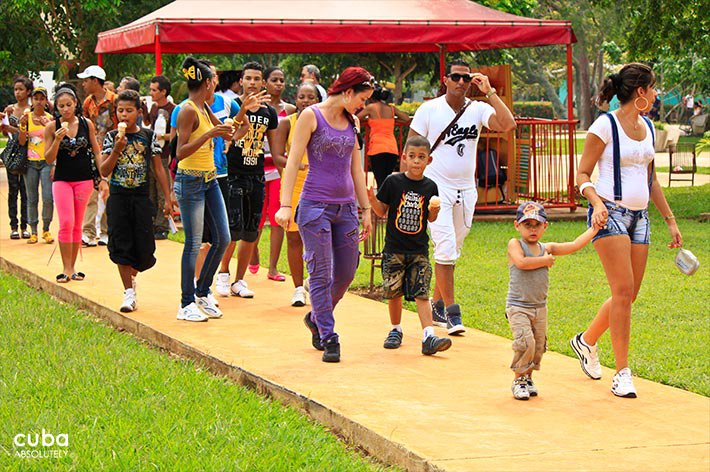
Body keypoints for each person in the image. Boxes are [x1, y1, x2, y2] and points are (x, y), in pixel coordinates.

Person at [571, 63, 683, 398]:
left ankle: (586, 340)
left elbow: (651, 180)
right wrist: (596, 202)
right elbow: (582, 175)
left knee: (629, 294)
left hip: (640, 217)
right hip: (610, 214)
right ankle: (622, 372)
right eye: (653, 88)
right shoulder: (603, 126)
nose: (655, 93)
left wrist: (670, 220)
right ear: (640, 92)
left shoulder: (648, 126)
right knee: (622, 292)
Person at [407, 59, 516, 335]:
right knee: (444, 247)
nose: (461, 83)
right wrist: (405, 185)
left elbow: (507, 124)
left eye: (466, 78)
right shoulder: (429, 109)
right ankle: (453, 313)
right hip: (436, 187)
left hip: (466, 190)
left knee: (452, 249)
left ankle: (437, 304)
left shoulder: (477, 109)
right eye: (456, 77)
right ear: (446, 79)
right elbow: (411, 148)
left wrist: (489, 91)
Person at [276, 66, 375, 363]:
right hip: (314, 206)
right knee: (320, 272)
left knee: (346, 271)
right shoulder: (311, 116)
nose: (362, 106)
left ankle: (317, 316)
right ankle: (329, 336)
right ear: (347, 92)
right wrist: (285, 205)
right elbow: (293, 162)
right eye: (361, 98)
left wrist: (366, 209)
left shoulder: (353, 121)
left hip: (345, 208)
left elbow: (356, 168)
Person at [173, 57, 244, 322]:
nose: (216, 85)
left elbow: (226, 133)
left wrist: (242, 111)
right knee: (192, 244)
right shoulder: (189, 110)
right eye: (213, 81)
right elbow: (180, 152)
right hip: (189, 180)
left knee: (223, 238)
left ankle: (202, 291)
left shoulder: (204, 107)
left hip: (210, 180)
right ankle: (185, 303)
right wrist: (207, 136)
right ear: (206, 83)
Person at [368, 135, 453, 355]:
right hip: (394, 249)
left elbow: (430, 219)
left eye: (421, 157)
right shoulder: (393, 182)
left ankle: (429, 337)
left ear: (429, 160)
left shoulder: (430, 186)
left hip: (419, 250)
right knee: (394, 292)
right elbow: (381, 211)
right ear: (404, 158)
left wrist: (434, 212)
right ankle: (395, 329)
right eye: (412, 157)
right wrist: (371, 198)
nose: (416, 161)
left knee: (421, 293)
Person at [506, 202, 597, 400]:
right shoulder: (515, 244)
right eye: (527, 224)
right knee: (525, 342)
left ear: (545, 226)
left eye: (537, 225)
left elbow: (573, 245)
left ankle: (528, 378)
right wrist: (545, 261)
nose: (532, 229)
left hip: (540, 307)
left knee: (538, 346)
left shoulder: (546, 248)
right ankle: (518, 379)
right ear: (517, 225)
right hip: (518, 306)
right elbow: (521, 262)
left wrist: (594, 229)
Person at [99, 90, 175, 313]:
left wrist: (168, 196)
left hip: (141, 198)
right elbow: (104, 169)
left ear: (139, 112)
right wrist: (116, 149)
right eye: (120, 110)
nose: (124, 115)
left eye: (129, 110)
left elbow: (158, 168)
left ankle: (132, 275)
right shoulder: (112, 137)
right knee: (121, 245)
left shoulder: (148, 136)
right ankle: (128, 293)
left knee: (144, 250)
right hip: (119, 197)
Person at [215, 61, 279, 299]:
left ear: (263, 82)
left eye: (257, 79)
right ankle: (223, 273)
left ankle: (239, 280)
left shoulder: (269, 112)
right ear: (241, 81)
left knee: (251, 231)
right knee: (232, 229)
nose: (252, 83)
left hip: (257, 175)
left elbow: (274, 147)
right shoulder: (231, 105)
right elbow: (228, 134)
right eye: (248, 78)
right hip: (233, 174)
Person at [43, 84, 102, 283]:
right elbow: (48, 158)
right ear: (56, 108)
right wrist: (57, 140)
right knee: (66, 222)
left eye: (69, 105)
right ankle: (65, 267)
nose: (66, 109)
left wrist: (101, 176)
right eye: (61, 106)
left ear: (76, 104)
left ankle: (73, 267)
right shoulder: (52, 127)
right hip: (62, 180)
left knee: (77, 224)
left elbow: (96, 150)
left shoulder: (86, 124)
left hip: (83, 179)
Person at [271, 82, 320, 306]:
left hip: (320, 184)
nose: (306, 101)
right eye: (302, 96)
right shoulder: (286, 123)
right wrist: (295, 165)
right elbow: (277, 155)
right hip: (295, 183)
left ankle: (314, 280)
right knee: (293, 236)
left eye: (311, 97)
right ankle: (298, 288)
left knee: (320, 237)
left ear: (318, 100)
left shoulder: (324, 123)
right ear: (296, 99)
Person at [249, 66, 296, 281]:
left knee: (278, 219)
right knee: (256, 218)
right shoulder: (257, 107)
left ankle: (273, 268)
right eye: (274, 80)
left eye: (281, 80)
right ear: (265, 83)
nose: (278, 84)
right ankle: (253, 253)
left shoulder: (291, 110)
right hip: (258, 167)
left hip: (280, 170)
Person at [78, 65, 115, 247]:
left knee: (107, 192)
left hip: (110, 152)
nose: (84, 84)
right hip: (92, 152)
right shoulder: (87, 103)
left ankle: (107, 231)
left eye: (86, 80)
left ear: (95, 81)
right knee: (90, 193)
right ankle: (88, 232)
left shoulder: (114, 101)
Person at [17, 86, 54, 244]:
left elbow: (54, 140)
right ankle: (33, 230)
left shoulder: (50, 119)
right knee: (32, 198)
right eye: (36, 98)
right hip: (30, 163)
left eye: (41, 99)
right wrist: (23, 126)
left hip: (46, 161)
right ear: (32, 101)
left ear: (46, 101)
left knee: (47, 197)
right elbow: (22, 141)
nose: (39, 102)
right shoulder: (26, 118)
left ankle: (46, 229)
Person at [357, 85, 412, 188]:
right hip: (392, 149)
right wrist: (393, 121)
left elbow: (356, 118)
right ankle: (388, 203)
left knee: (380, 181)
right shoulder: (391, 109)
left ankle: (380, 203)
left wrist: (368, 120)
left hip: (377, 149)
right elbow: (406, 118)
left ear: (371, 98)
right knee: (387, 181)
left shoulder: (371, 108)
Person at [145, 75, 176, 239]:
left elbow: (177, 136)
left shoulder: (174, 109)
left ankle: (162, 225)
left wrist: (161, 137)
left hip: (164, 156)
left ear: (163, 92)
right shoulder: (154, 108)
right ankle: (151, 222)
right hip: (151, 154)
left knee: (162, 189)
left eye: (154, 90)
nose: (151, 93)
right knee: (150, 189)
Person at [2, 76, 32, 239]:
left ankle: (25, 225)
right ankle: (14, 225)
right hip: (13, 153)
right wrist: (5, 125)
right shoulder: (9, 109)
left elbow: (33, 132)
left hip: (29, 152)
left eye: (21, 89)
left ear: (28, 91)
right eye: (15, 89)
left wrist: (14, 129)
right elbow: (5, 132)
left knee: (26, 190)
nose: (17, 92)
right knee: (13, 190)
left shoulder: (32, 110)